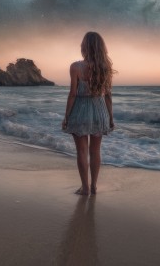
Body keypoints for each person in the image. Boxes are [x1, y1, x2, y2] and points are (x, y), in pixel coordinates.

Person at [62, 32, 115, 196]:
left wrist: (66, 116)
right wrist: (111, 117)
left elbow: (72, 94)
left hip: (81, 110)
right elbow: (108, 95)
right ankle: (94, 187)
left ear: (84, 47)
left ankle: (85, 188)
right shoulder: (105, 68)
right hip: (100, 111)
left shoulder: (76, 67)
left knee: (82, 151)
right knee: (95, 151)